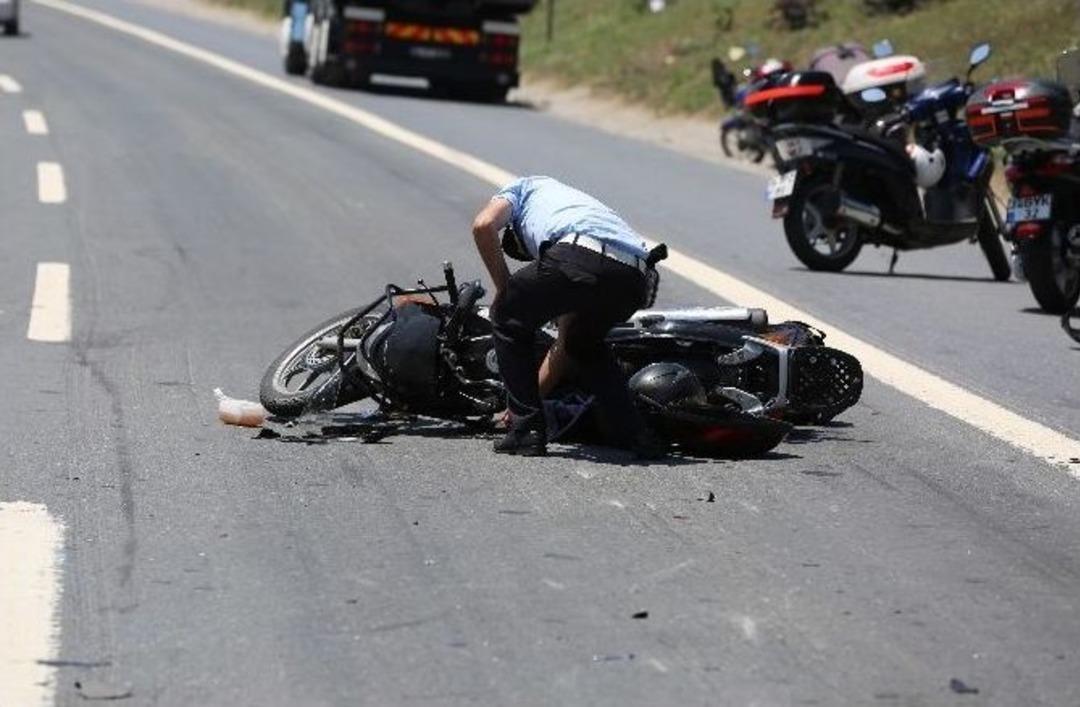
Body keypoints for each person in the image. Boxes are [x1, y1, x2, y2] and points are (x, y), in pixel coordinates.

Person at [470, 175, 666, 458]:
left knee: (505, 317)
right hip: (634, 278)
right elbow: (562, 344)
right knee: (582, 343)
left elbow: (483, 225)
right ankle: (635, 434)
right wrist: (523, 403)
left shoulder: (521, 188)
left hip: (578, 255)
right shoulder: (570, 204)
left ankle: (526, 433)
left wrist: (505, 290)